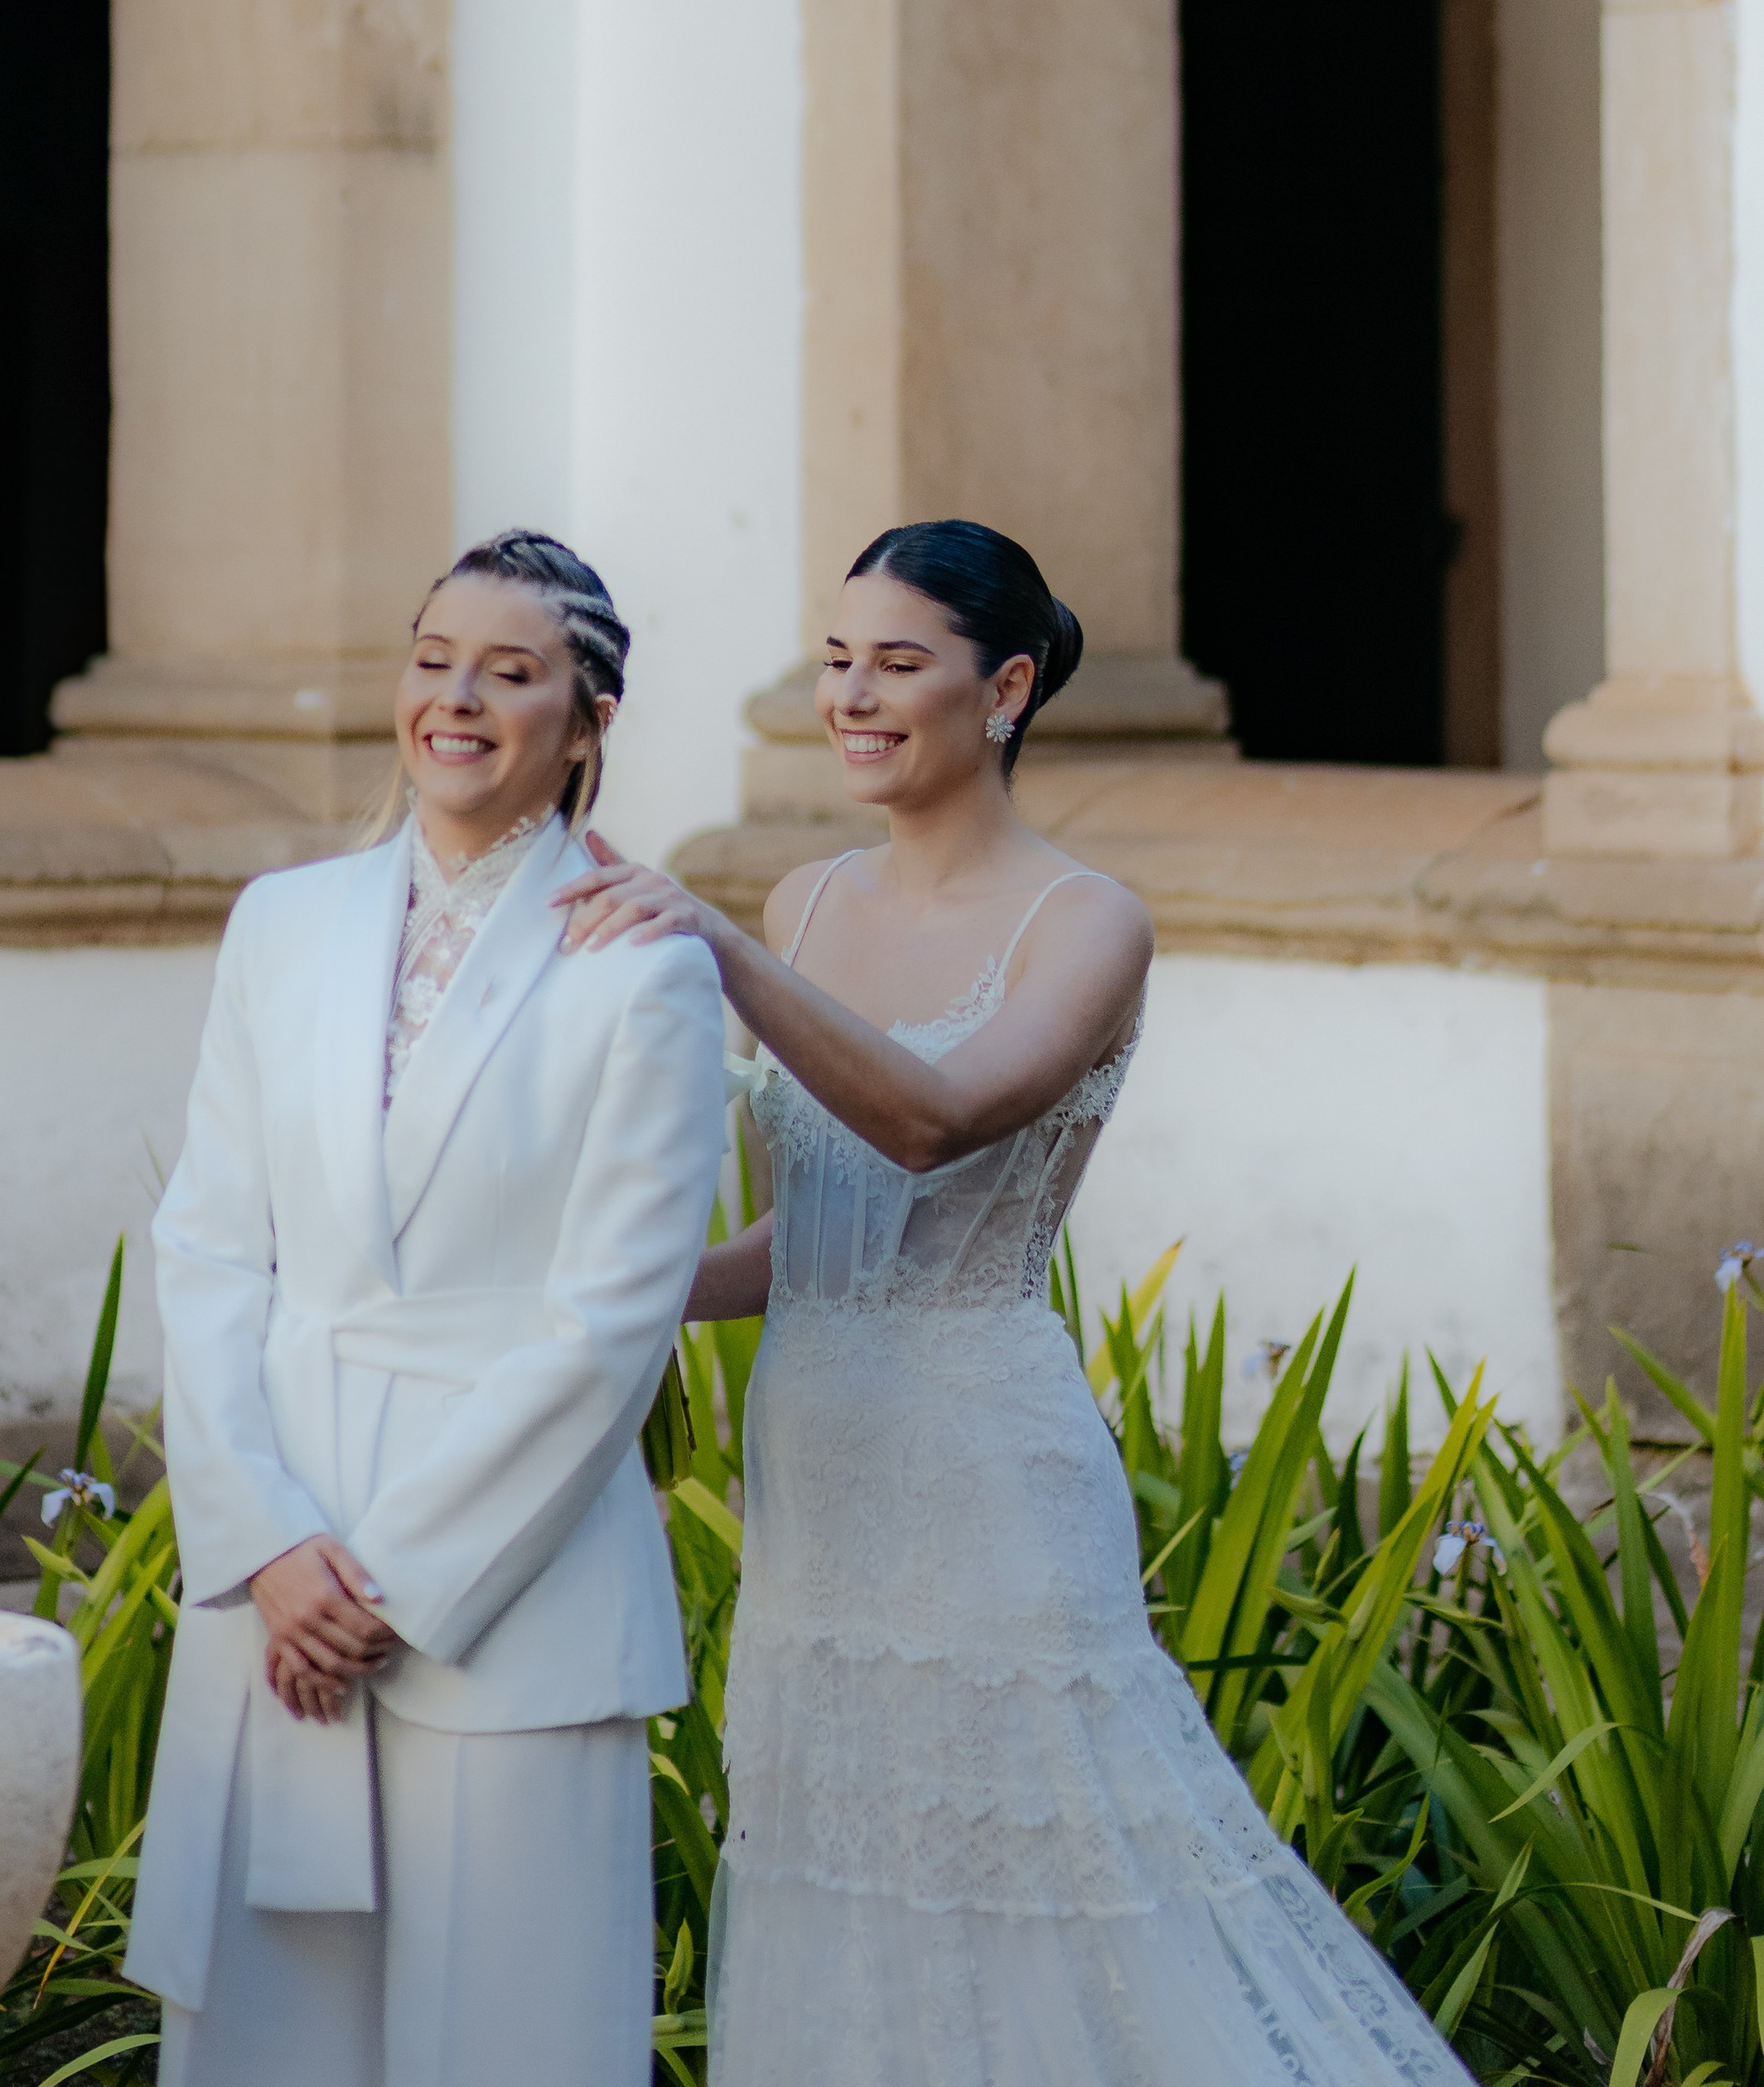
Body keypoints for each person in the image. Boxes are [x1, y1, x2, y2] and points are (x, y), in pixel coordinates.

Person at [557, 517, 1472, 2087]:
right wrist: (604, 1291)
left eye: (897, 663)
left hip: (988, 1477)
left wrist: (709, 943)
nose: (852, 695)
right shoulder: (806, 904)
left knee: (1050, 1901)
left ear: (1006, 688)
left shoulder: (1087, 921)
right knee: (852, 1898)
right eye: (837, 660)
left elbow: (931, 1122)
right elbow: (821, 1234)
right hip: (819, 1482)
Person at [128, 529, 729, 2087]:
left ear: (587, 723)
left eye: (510, 673)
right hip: (275, 1573)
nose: (456, 699)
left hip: (505, 1597)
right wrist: (263, 1542)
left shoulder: (646, 968)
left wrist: (390, 1588)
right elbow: (205, 1246)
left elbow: (612, 1323)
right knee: (267, 2036)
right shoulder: (284, 921)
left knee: (505, 2038)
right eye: (432, 658)